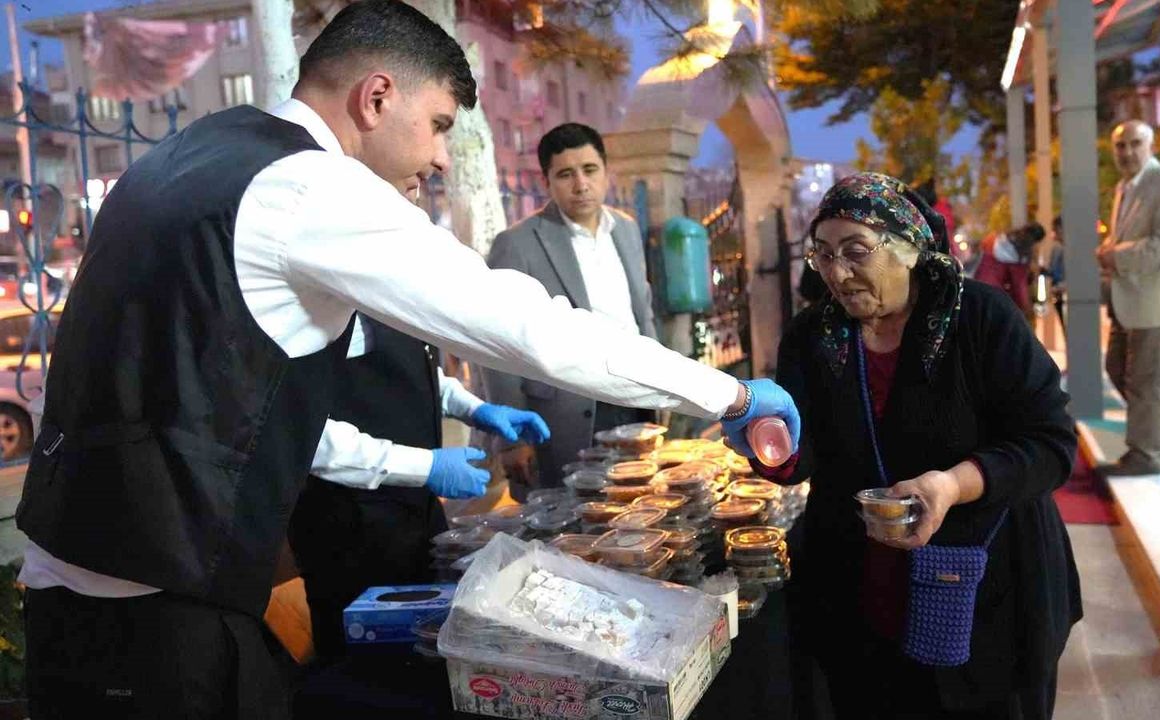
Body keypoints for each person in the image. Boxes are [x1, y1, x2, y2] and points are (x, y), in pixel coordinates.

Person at [15, 3, 799, 717]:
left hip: (73, 588)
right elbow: (526, 326)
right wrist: (729, 396)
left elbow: (229, 402)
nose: (441, 158)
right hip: (162, 613)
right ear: (377, 97)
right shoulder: (310, 186)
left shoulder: (191, 153)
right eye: (438, 124)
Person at [754, 173, 1081, 719]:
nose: (837, 272)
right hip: (862, 594)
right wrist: (765, 436)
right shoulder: (814, 337)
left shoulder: (980, 318)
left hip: (990, 590)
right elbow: (802, 456)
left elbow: (1051, 443)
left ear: (908, 248)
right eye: (823, 255)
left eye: (856, 251)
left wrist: (952, 485)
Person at [288, 312, 549, 660]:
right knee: (366, 666)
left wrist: (474, 409)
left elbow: (412, 369)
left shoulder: (384, 295)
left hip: (416, 511)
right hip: (347, 526)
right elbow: (304, 434)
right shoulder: (300, 314)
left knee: (429, 645)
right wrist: (425, 466)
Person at [485, 122, 658, 499]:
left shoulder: (625, 230)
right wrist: (512, 439)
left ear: (606, 172)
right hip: (563, 415)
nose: (581, 185)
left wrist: (661, 385)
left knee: (639, 507)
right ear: (546, 181)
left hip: (634, 397)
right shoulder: (517, 244)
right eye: (565, 174)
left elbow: (642, 313)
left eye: (590, 170)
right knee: (572, 520)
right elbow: (498, 344)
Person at [1096, 119, 1160, 475]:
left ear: (1152, 146)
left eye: (1135, 143)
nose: (1127, 152)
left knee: (1145, 380)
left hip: (1155, 301)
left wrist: (1116, 256)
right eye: (1121, 145)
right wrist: (1110, 248)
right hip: (1128, 298)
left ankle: (1144, 454)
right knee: (1117, 369)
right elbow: (1130, 235)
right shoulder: (1126, 186)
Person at [973, 221, 1045, 317]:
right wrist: (1026, 310)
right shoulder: (1021, 256)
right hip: (995, 299)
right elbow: (1020, 287)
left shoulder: (992, 239)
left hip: (978, 290)